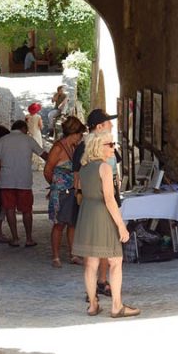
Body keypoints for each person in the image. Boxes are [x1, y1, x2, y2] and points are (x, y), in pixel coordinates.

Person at [72, 131, 139, 318]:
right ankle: (117, 305)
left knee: (91, 262)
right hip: (102, 213)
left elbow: (82, 191)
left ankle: (93, 304)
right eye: (110, 144)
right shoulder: (105, 168)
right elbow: (109, 199)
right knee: (115, 261)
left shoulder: (84, 167)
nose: (113, 147)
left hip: (87, 213)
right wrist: (121, 225)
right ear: (98, 146)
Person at [72, 108, 118, 297]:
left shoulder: (105, 144)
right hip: (95, 202)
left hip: (102, 199)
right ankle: (95, 290)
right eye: (108, 123)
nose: (112, 126)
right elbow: (78, 177)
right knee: (95, 249)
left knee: (105, 246)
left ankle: (101, 281)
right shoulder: (85, 148)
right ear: (99, 126)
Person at [0, 120, 48, 247]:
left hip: (6, 181)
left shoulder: (2, 140)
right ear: (23, 128)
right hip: (24, 180)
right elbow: (44, 154)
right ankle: (29, 238)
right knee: (27, 210)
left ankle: (15, 238)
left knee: (10, 209)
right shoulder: (28, 140)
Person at [43, 116, 86, 268]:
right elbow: (47, 170)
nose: (80, 138)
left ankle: (73, 254)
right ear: (73, 133)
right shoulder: (58, 148)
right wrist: (55, 185)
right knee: (59, 224)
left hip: (73, 190)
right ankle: (55, 256)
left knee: (72, 223)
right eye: (80, 135)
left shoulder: (74, 148)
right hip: (60, 192)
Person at [25, 102, 44, 170]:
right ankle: (39, 166)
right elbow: (41, 127)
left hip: (29, 134)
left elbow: (26, 125)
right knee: (38, 148)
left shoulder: (27, 116)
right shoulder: (38, 117)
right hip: (36, 134)